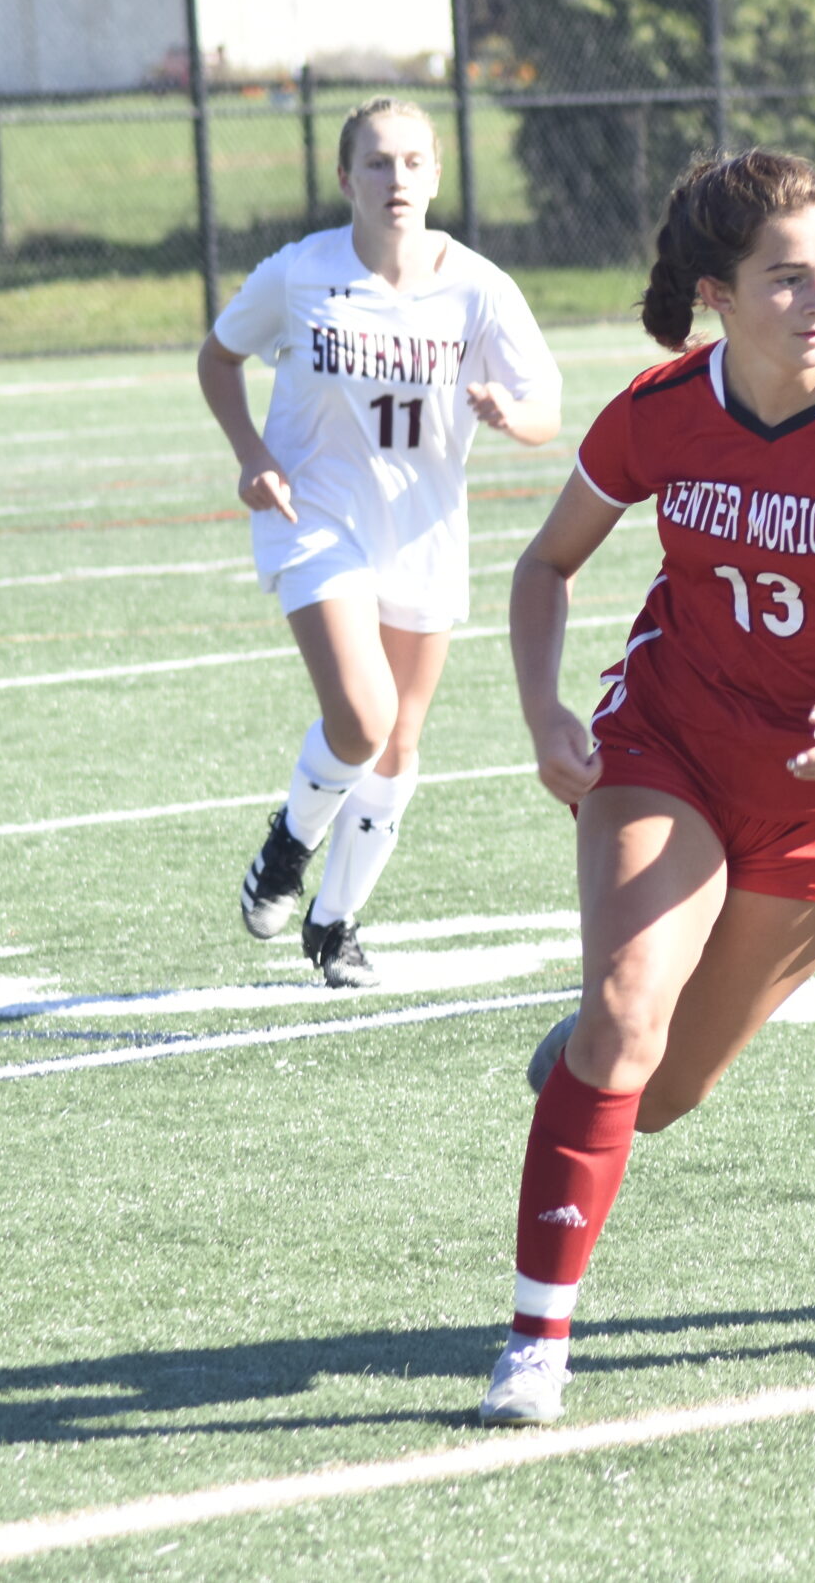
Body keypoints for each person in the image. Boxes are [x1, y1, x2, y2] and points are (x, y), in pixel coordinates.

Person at [478, 149, 815, 1425]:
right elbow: (546, 569)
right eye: (785, 279)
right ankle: (535, 1343)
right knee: (624, 1012)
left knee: (664, 1092)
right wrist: (545, 709)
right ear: (718, 291)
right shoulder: (660, 410)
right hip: (674, 741)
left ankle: (596, 1070)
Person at [201, 96, 561, 988]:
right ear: (343, 179)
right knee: (362, 718)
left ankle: (335, 922)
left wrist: (511, 414)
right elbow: (218, 357)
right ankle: (289, 845)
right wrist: (252, 456)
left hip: (425, 531)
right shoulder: (300, 274)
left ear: (436, 174)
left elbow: (547, 408)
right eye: (376, 162)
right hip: (317, 520)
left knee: (399, 742)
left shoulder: (480, 287)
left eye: (411, 162)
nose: (395, 179)